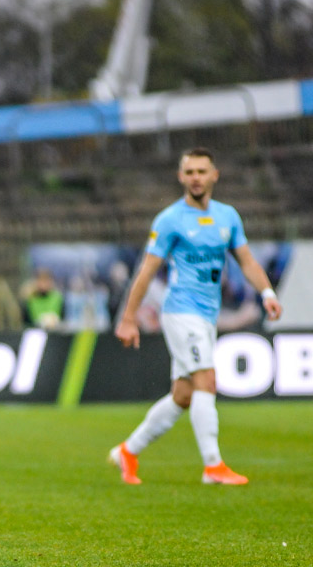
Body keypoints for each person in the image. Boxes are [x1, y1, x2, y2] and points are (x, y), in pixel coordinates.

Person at [109, 147, 282, 485]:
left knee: (184, 396)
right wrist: (128, 318)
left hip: (207, 314)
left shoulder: (227, 217)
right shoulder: (170, 219)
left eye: (202, 171)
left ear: (214, 175)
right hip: (180, 311)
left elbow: (247, 261)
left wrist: (268, 293)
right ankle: (213, 466)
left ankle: (128, 451)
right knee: (207, 381)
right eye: (190, 172)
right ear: (181, 177)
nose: (196, 178)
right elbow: (146, 272)